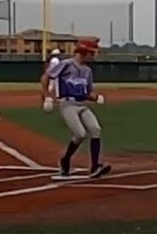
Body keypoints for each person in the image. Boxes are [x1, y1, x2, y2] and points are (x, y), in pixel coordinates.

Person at [40, 39, 111, 179]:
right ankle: (65, 160)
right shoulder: (66, 65)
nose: (94, 56)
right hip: (68, 104)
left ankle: (95, 166)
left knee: (95, 129)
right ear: (85, 52)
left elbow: (88, 92)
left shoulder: (87, 70)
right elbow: (46, 77)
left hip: (82, 104)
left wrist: (96, 97)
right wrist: (47, 97)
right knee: (80, 134)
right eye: (92, 53)